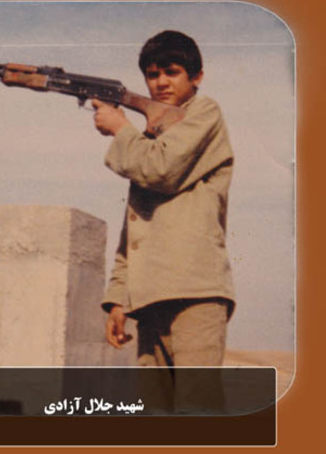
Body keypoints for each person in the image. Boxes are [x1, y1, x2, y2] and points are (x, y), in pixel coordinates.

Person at [92, 30, 235, 370]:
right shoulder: (150, 139)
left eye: (172, 72)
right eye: (153, 74)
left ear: (197, 77)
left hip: (195, 292)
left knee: (196, 400)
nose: (161, 83)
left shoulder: (204, 113)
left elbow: (161, 168)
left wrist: (120, 128)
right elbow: (136, 224)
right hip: (150, 295)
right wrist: (118, 299)